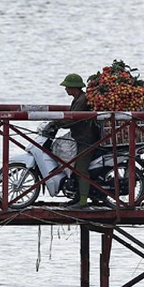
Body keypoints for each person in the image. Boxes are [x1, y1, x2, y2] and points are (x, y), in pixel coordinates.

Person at [59, 73, 98, 208]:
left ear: (73, 87)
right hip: (80, 138)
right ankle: (77, 197)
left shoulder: (82, 100)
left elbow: (73, 119)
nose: (65, 89)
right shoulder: (78, 98)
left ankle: (83, 201)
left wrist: (57, 124)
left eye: (67, 87)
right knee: (75, 168)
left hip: (87, 140)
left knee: (81, 169)